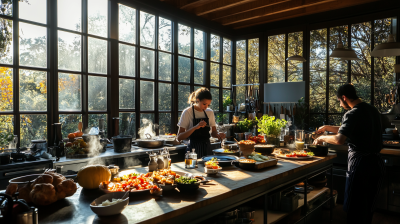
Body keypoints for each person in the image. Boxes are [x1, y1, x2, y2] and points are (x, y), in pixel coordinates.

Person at [313, 83, 385, 224]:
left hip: (360, 166)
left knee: (355, 208)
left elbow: (340, 139)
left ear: (344, 97)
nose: (340, 105)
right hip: (377, 165)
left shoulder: (352, 113)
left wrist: (321, 138)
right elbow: (350, 127)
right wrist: (327, 127)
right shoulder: (372, 110)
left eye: (339, 101)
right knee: (368, 207)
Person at [177, 87, 226, 158]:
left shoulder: (209, 112)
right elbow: (179, 137)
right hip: (193, 152)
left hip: (207, 150)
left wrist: (218, 134)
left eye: (208, 105)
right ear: (197, 100)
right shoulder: (187, 112)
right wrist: (195, 127)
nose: (206, 107)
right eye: (204, 104)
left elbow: (213, 133)